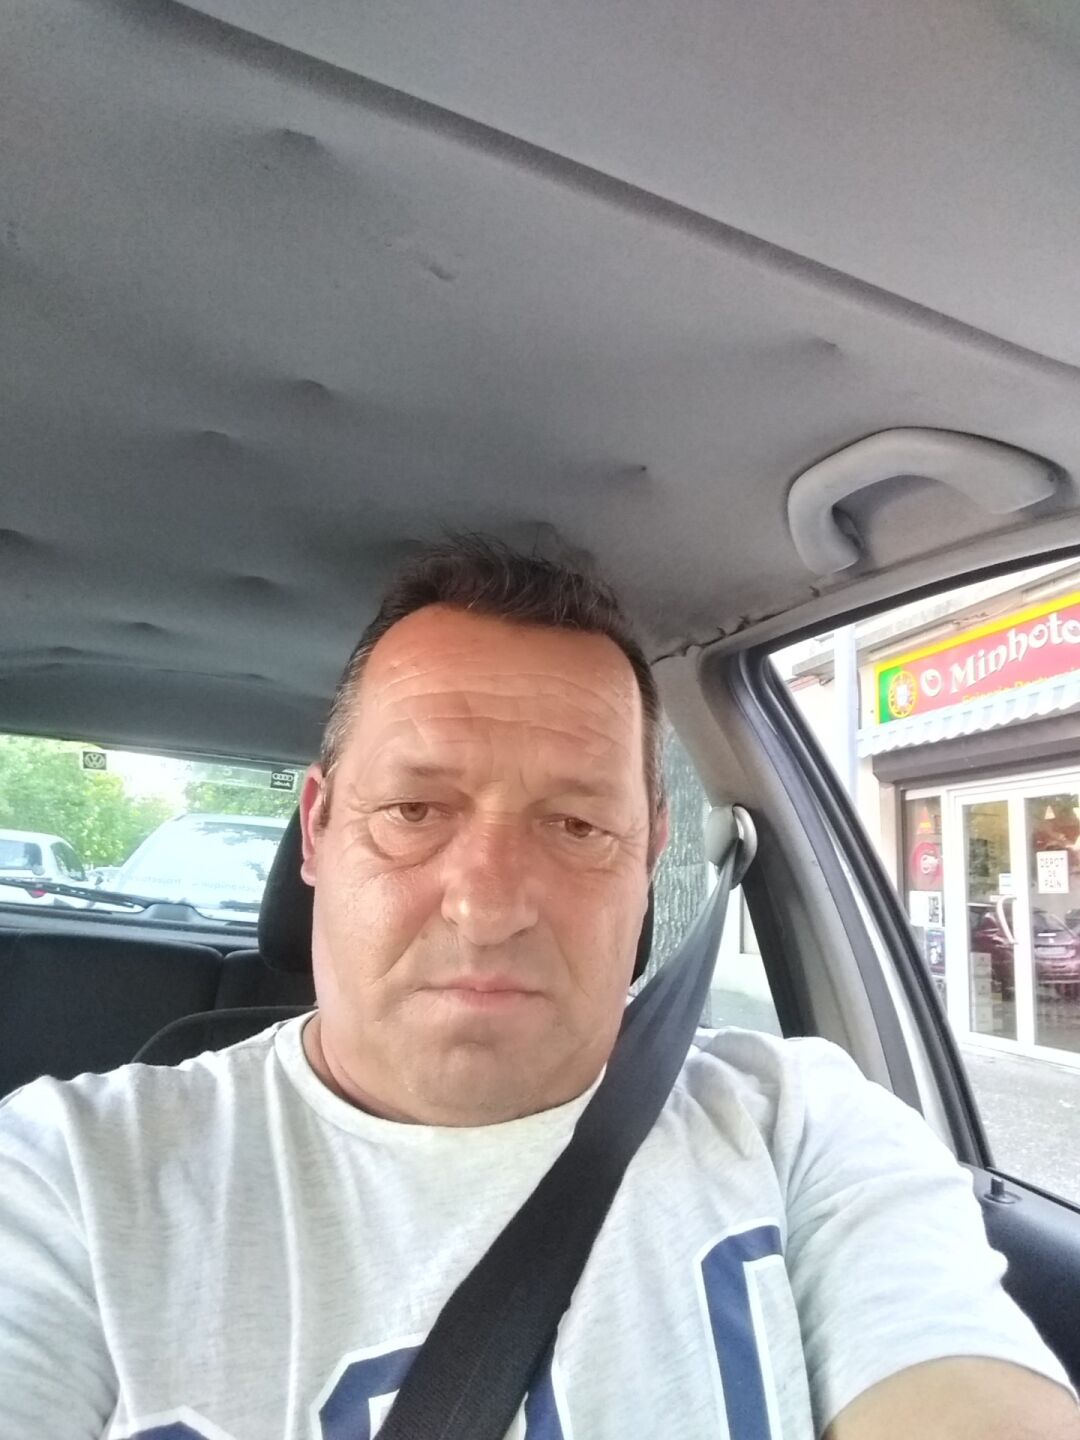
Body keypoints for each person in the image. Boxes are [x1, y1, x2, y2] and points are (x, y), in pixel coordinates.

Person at [0, 536, 1077, 1440]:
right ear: (318, 829)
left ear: (650, 853)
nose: (488, 905)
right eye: (414, 810)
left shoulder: (803, 1129)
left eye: (575, 823)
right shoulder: (69, 1180)